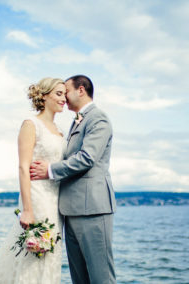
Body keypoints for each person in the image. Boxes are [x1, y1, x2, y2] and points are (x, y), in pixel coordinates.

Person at [30, 75, 117, 284]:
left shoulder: (98, 118)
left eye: (65, 91)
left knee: (100, 277)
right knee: (80, 278)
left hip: (93, 209)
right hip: (71, 210)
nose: (64, 97)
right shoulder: (77, 120)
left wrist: (50, 170)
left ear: (80, 90)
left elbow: (87, 158)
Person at [0, 77, 67, 284]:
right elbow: (23, 167)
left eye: (64, 94)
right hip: (37, 197)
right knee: (34, 255)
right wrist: (27, 209)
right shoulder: (31, 125)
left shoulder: (60, 132)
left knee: (50, 254)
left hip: (55, 200)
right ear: (44, 96)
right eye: (58, 93)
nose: (64, 98)